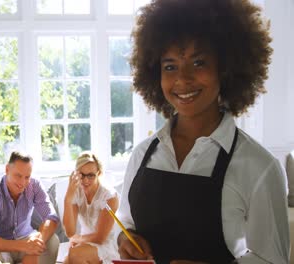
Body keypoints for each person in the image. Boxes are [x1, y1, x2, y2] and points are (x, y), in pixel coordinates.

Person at [115, 0, 290, 263]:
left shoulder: (259, 167)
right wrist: (124, 239)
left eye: (198, 62)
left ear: (226, 68)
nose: (182, 79)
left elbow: (272, 259)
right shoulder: (141, 154)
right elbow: (126, 222)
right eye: (170, 66)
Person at [0, 151, 60, 264]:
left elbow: (51, 217)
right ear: (7, 170)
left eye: (27, 177)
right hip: (0, 246)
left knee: (52, 241)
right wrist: (22, 246)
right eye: (18, 176)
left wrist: (36, 243)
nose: (22, 183)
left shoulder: (34, 184)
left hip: (27, 239)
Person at [63, 151, 120, 264]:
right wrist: (68, 198)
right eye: (81, 175)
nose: (85, 180)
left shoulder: (109, 196)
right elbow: (69, 232)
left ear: (98, 173)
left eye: (90, 175)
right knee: (68, 260)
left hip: (106, 246)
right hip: (85, 244)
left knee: (74, 254)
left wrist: (77, 239)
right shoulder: (76, 192)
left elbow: (100, 237)